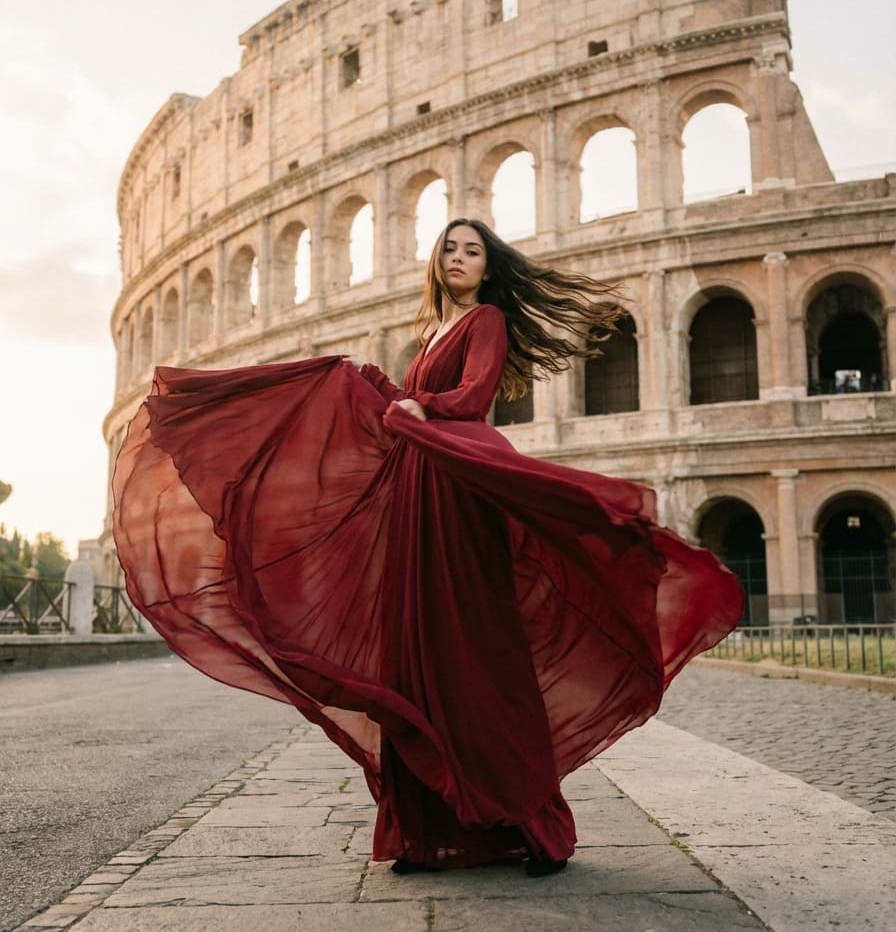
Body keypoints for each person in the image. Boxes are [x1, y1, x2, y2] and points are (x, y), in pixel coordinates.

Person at [112, 218, 743, 879]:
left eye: (472, 251)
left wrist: (418, 407)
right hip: (421, 488)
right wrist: (378, 389)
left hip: (457, 490)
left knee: (478, 654)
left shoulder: (487, 321)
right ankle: (424, 833)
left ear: (490, 267)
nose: (460, 258)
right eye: (450, 249)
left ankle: (536, 827)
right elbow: (417, 403)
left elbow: (471, 399)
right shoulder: (433, 330)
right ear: (436, 262)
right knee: (418, 656)